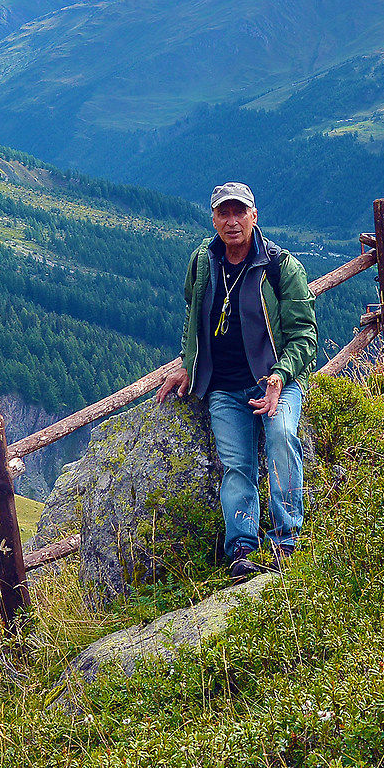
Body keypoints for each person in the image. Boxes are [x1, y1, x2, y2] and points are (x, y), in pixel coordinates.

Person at [155, 182, 317, 576]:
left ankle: (286, 542)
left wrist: (279, 377)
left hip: (275, 382)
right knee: (236, 466)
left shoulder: (280, 266)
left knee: (282, 438)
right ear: (213, 219)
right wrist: (189, 363)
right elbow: (193, 314)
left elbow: (305, 336)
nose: (232, 221)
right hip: (224, 388)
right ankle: (242, 550)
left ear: (254, 216)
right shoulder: (203, 262)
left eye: (239, 212)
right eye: (223, 213)